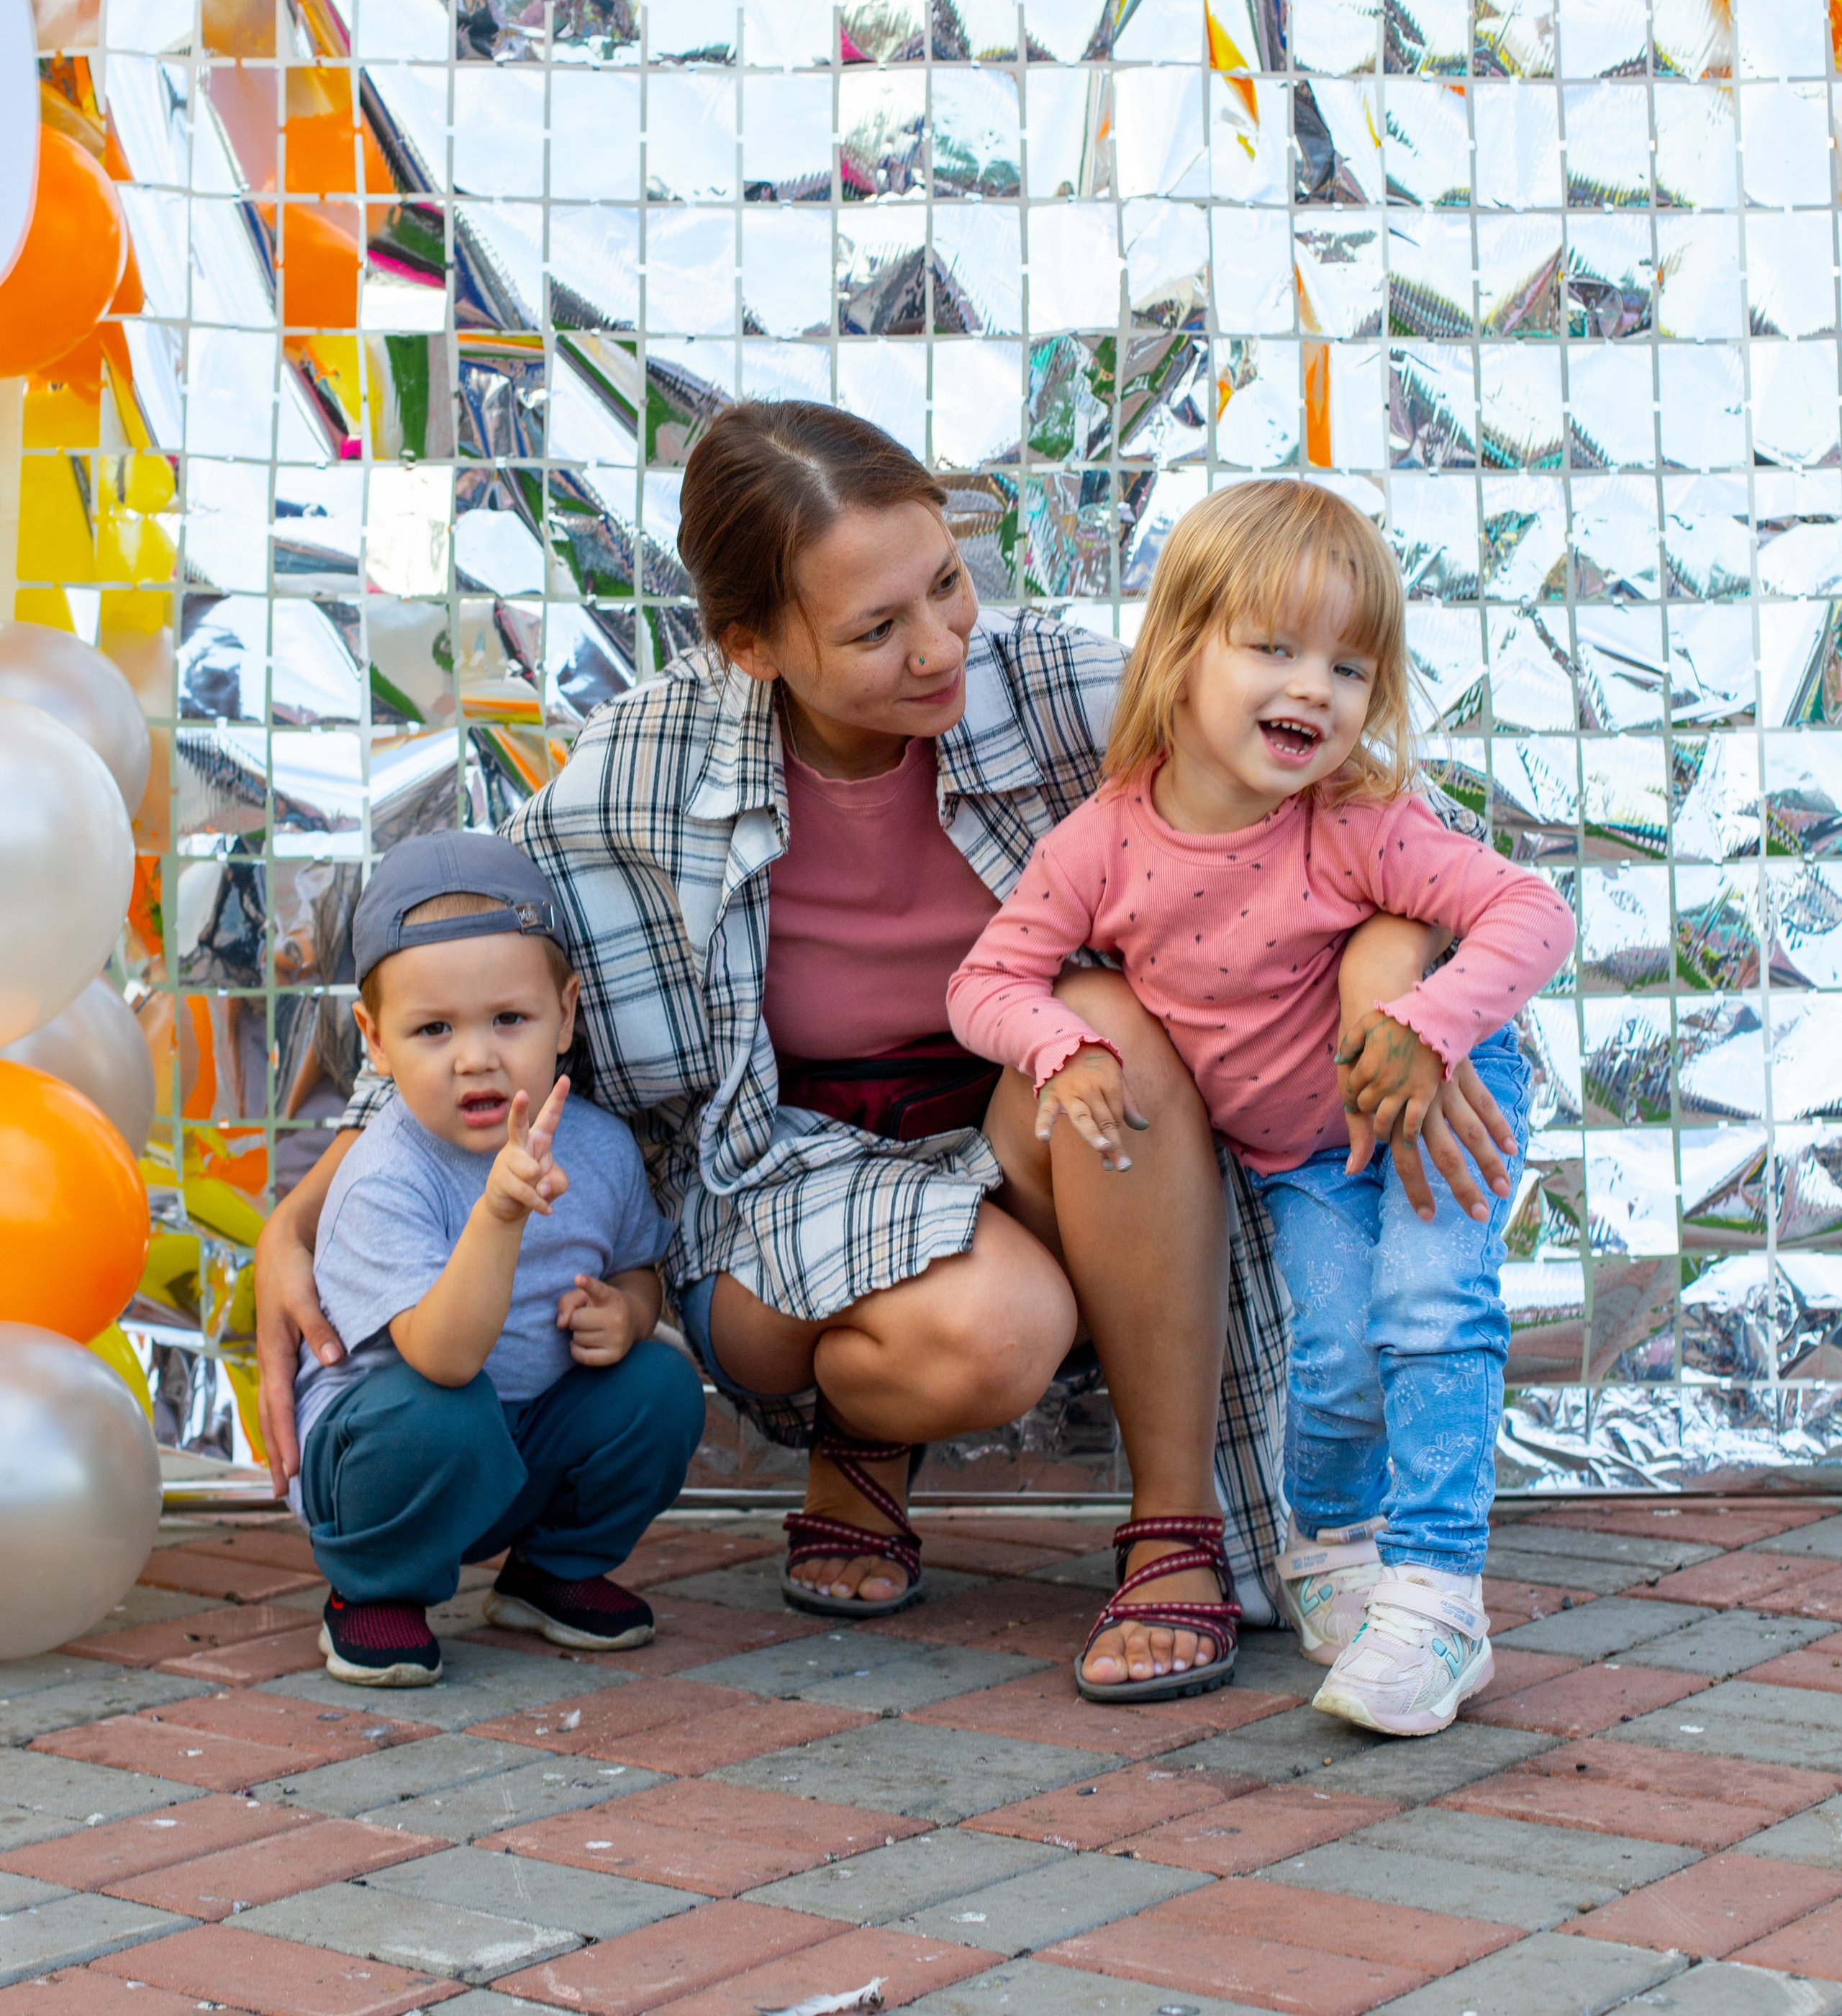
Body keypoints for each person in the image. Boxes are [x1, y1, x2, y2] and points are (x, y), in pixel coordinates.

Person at [257, 404, 1518, 1698]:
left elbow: (1366, 819)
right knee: (994, 1331)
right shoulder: (646, 763)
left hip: (1025, 1140)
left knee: (1113, 1031)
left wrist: (1383, 983)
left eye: (948, 584)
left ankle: (1170, 1530)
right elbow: (469, 957)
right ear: (753, 647)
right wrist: (308, 1206)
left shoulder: (1055, 688)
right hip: (785, 1183)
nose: (939, 647)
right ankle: (857, 1436)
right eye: (875, 629)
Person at [948, 479, 1574, 1733]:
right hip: (1298, 1156)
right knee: (1334, 1355)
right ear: (1182, 654)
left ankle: (1444, 1596)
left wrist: (1426, 1026)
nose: (1315, 688)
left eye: (1349, 664)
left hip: (1434, 1093)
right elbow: (986, 980)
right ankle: (1334, 1547)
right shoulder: (1104, 844)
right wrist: (1060, 1047)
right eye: (1274, 647)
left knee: (1432, 1309)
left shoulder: (1354, 826)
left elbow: (1533, 912)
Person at [291, 832, 705, 1688]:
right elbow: (443, 1358)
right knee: (442, 1410)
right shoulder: (384, 1175)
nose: (475, 1056)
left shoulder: (596, 1148)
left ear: (567, 1014)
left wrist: (628, 1312)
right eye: (433, 1028)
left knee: (659, 1386)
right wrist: (499, 1212)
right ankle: (376, 1591)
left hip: (520, 1445)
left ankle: (550, 1571)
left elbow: (636, 1266)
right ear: (374, 1040)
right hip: (394, 1461)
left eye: (508, 1020)